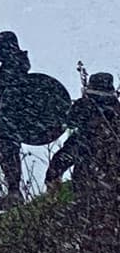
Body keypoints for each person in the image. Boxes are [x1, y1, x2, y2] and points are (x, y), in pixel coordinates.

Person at [47, 73, 120, 206]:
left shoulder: (85, 106)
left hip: (87, 182)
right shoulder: (117, 109)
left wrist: (53, 177)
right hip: (113, 182)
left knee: (85, 204)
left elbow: (70, 122)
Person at [0, 31, 31, 201]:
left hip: (10, 119)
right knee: (6, 153)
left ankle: (14, 192)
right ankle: (13, 190)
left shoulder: (11, 65)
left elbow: (14, 92)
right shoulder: (18, 62)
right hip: (12, 118)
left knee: (6, 153)